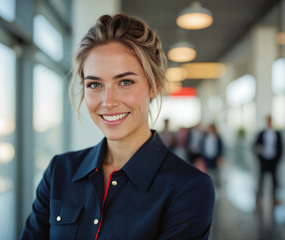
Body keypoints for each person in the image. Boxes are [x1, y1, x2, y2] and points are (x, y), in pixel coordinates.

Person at [19, 14, 215, 240]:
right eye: (94, 84)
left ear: (154, 87)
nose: (108, 101)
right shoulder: (59, 172)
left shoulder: (188, 188)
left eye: (125, 82)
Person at [253, 115, 283, 207]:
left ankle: (274, 197)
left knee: (274, 179)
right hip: (264, 159)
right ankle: (259, 198)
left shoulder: (277, 133)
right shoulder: (261, 133)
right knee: (261, 179)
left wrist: (278, 159)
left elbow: (281, 147)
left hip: (273, 159)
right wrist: (259, 156)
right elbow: (255, 145)